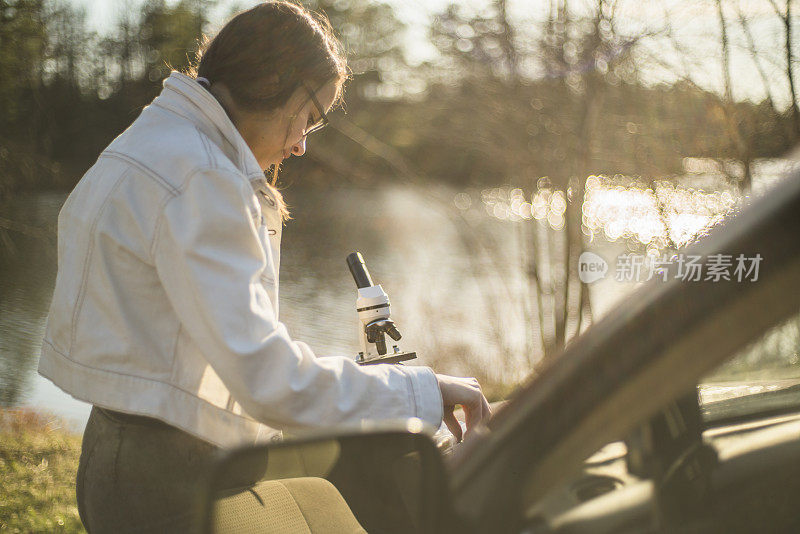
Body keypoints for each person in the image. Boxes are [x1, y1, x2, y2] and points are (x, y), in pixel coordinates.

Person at [37, 2, 491, 531]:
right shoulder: (202, 177)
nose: (300, 144)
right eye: (308, 117)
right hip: (175, 484)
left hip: (122, 453)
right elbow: (270, 381)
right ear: (274, 80)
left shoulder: (154, 142)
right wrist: (424, 391)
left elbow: (226, 362)